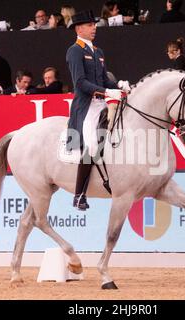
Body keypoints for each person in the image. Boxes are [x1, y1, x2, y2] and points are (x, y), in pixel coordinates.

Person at [66, 10, 130, 211]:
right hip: (87, 106)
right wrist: (106, 91)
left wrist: (118, 84)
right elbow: (80, 83)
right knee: (92, 145)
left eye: (94, 25)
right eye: (89, 25)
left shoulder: (98, 52)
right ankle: (79, 195)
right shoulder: (75, 51)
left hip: (103, 102)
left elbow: (104, 79)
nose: (94, 28)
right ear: (79, 29)